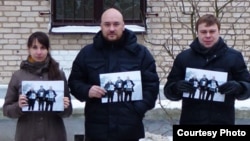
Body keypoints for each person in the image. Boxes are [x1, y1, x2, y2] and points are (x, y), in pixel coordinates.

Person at [68, 8, 159, 141]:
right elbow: (74, 82)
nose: (111, 28)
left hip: (130, 130)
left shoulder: (141, 54)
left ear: (123, 26)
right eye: (107, 24)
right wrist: (87, 90)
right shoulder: (87, 54)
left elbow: (151, 86)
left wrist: (137, 109)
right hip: (97, 130)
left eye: (116, 24)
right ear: (101, 26)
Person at [163, 14, 250, 125]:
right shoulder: (183, 58)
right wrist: (176, 87)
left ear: (219, 31)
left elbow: (248, 85)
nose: (208, 35)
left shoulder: (234, 57)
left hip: (223, 122)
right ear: (197, 33)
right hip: (190, 122)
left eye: (212, 31)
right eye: (203, 32)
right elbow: (168, 90)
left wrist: (239, 87)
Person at [2, 31, 72, 141]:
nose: (39, 52)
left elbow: (68, 112)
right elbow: (6, 110)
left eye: (43, 47)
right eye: (35, 47)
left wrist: (63, 106)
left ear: (48, 49)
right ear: (28, 49)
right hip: (27, 135)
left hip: (54, 135)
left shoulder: (59, 75)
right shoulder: (18, 76)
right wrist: (19, 106)